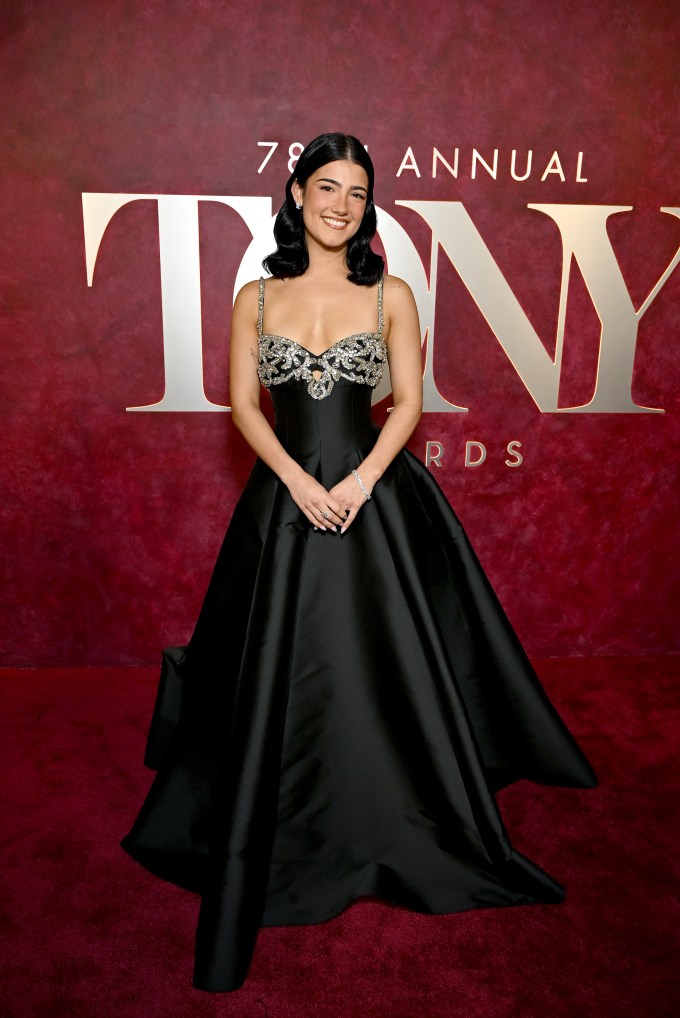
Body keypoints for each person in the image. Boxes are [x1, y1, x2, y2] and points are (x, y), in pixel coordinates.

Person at [121, 133, 598, 993]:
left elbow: (406, 404)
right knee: (266, 663)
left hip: (372, 492)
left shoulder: (392, 294)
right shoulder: (255, 296)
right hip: (284, 496)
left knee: (382, 660)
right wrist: (300, 482)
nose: (342, 204)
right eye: (328, 187)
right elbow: (242, 405)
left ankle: (391, 801)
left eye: (358, 192)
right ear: (298, 194)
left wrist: (360, 482)